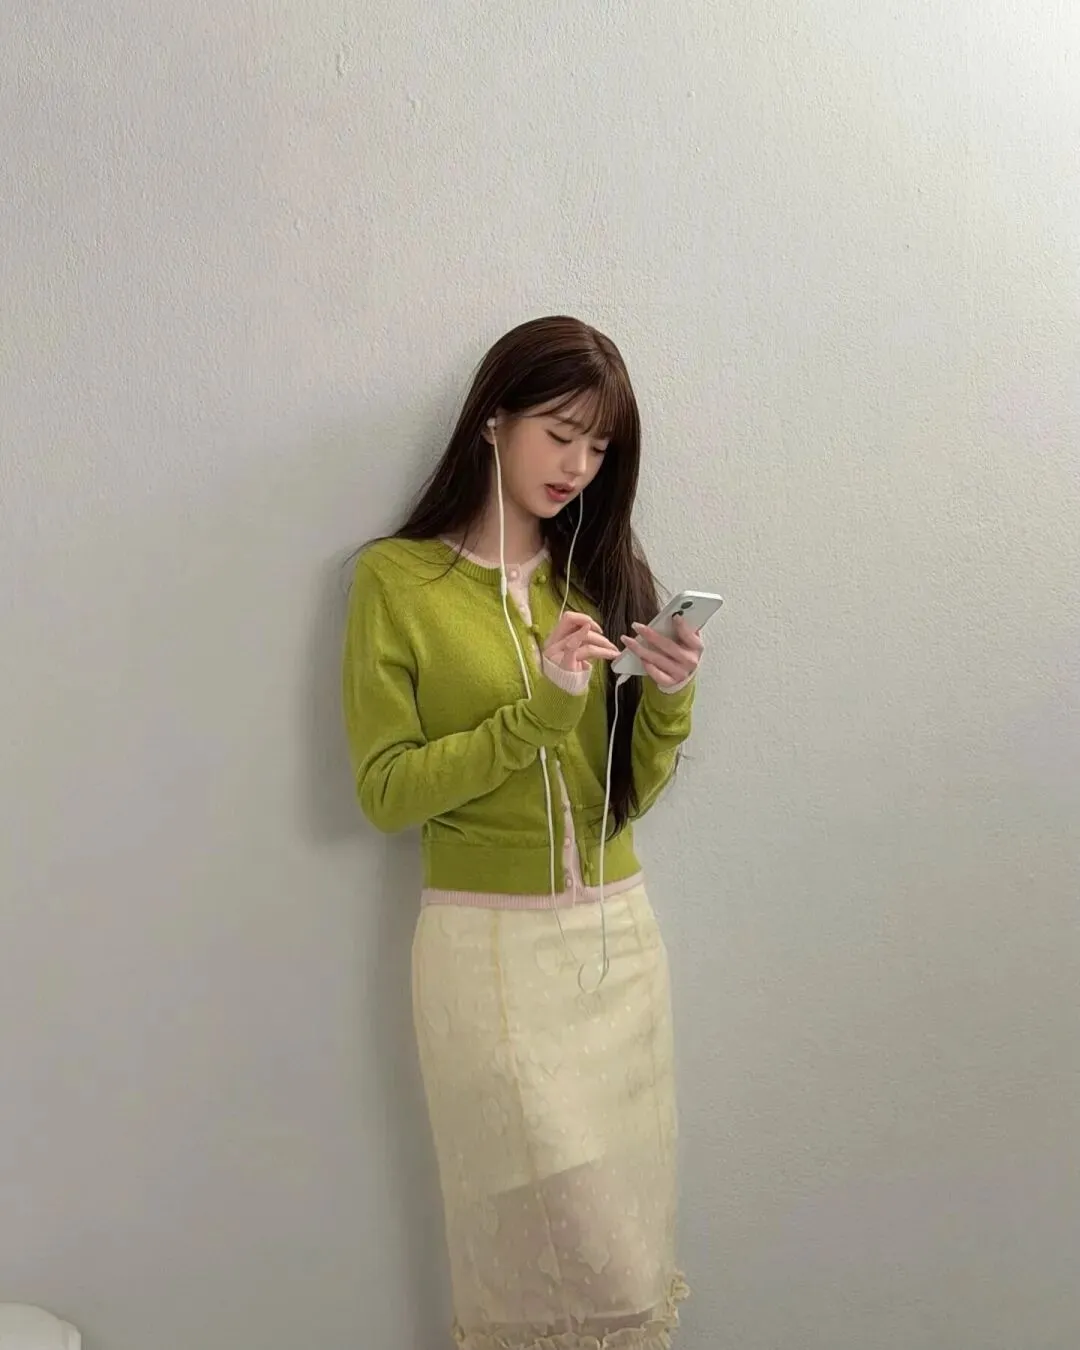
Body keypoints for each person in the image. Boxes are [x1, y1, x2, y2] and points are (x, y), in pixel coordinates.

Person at [342, 315, 704, 1350]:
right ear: (493, 421)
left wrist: (669, 698)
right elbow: (385, 791)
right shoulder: (395, 583)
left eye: (600, 446)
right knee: (532, 1255)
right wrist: (538, 710)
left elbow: (623, 793)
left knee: (628, 1259)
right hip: (487, 956)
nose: (579, 466)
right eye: (561, 433)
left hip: (618, 944)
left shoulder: (599, 572)